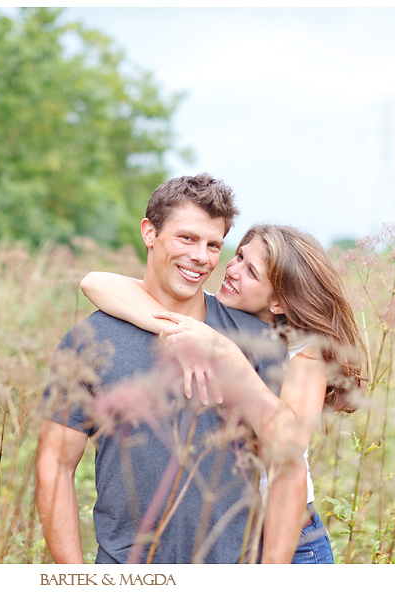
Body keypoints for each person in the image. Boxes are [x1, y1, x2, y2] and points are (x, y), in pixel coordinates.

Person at [35, 174, 285, 564]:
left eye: (213, 245)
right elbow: (55, 463)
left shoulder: (254, 340)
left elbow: (287, 468)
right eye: (186, 238)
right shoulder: (91, 339)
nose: (201, 257)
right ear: (149, 233)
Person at [80, 224, 367, 564]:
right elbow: (94, 283)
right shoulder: (212, 314)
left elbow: (288, 444)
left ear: (277, 300)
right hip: (224, 540)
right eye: (239, 256)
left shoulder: (304, 350)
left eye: (251, 272)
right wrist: (175, 327)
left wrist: (230, 357)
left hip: (287, 544)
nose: (231, 271)